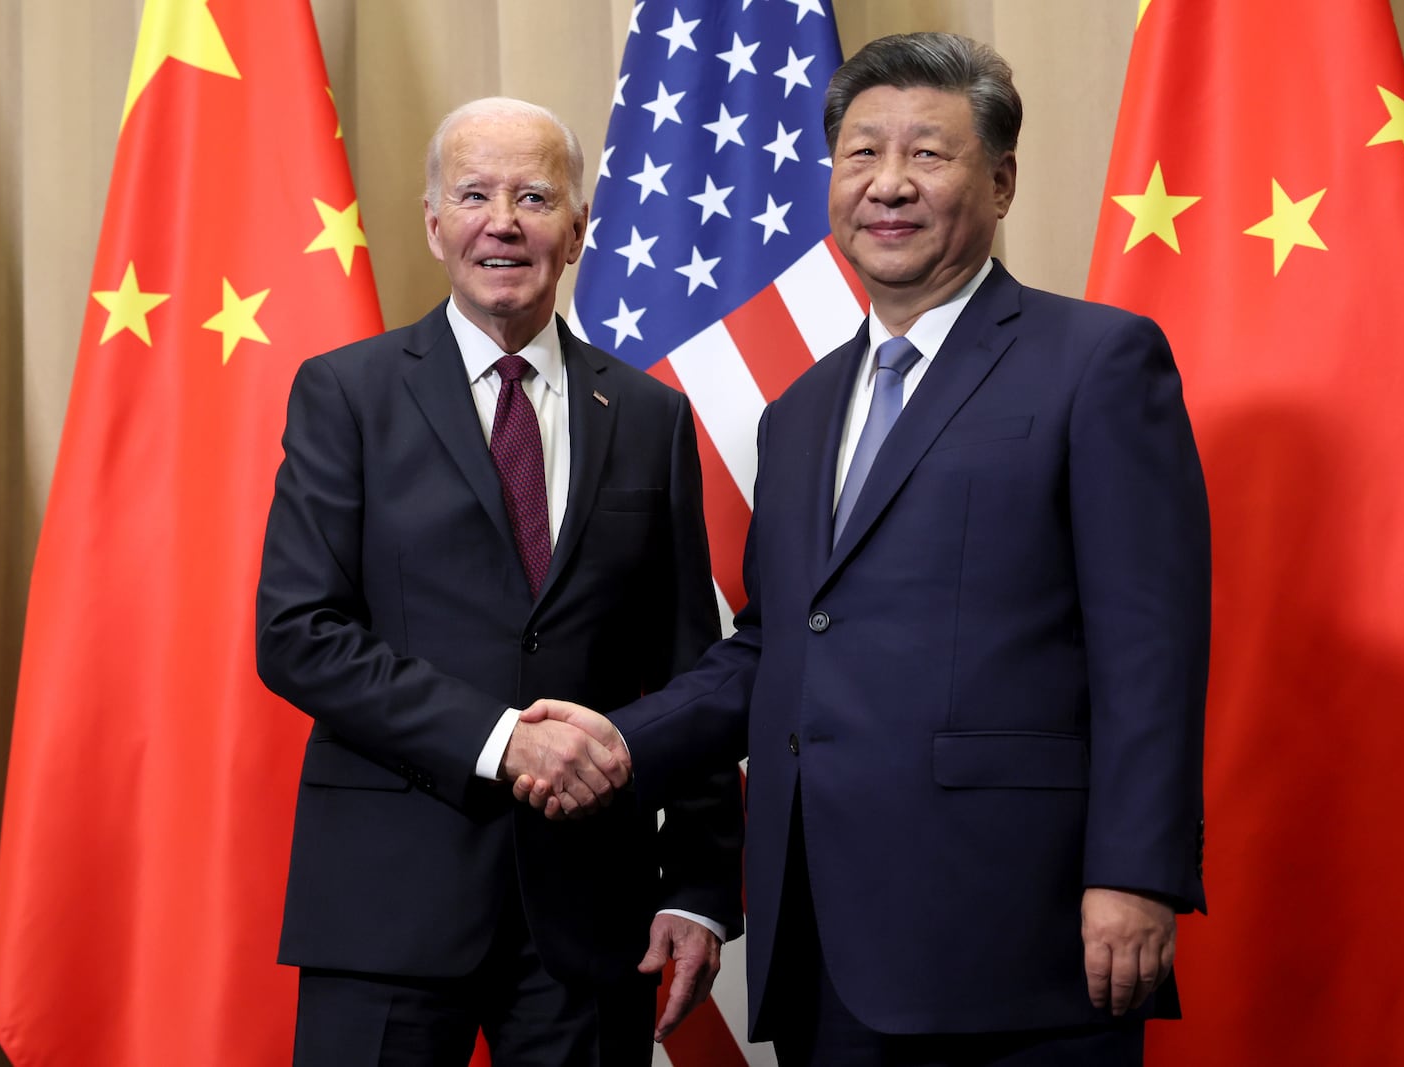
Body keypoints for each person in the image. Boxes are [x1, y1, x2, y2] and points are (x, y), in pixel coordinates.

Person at [515, 33, 1211, 1067]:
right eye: (858, 155)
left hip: (1017, 933)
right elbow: (774, 642)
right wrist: (620, 740)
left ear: (1002, 180)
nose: (887, 184)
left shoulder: (1097, 362)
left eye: (927, 154)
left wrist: (1136, 873)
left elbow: (1150, 644)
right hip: (825, 941)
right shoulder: (799, 411)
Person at [255, 96, 743, 1067]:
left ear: (577, 226)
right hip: (387, 904)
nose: (503, 220)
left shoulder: (649, 416)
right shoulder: (345, 392)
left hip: (590, 913)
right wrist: (500, 740)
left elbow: (691, 672)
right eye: (474, 194)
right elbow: (297, 631)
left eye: (533, 195)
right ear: (435, 224)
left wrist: (694, 883)